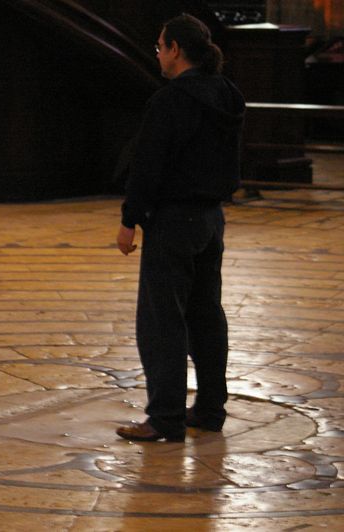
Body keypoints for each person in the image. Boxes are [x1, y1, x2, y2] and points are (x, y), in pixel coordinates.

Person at [115, 14, 245, 442]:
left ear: (175, 49)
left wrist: (130, 218)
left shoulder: (170, 100)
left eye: (159, 47)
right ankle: (210, 409)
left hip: (172, 221)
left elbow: (149, 166)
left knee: (161, 321)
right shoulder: (227, 93)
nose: (158, 55)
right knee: (207, 316)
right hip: (211, 219)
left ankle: (165, 417)